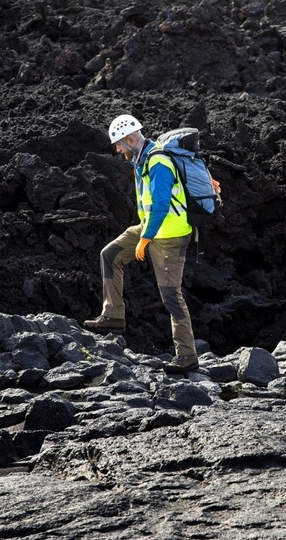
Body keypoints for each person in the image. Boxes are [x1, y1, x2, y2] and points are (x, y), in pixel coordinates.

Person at [84, 114, 200, 373]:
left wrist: (145, 240)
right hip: (151, 228)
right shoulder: (142, 158)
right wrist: (145, 233)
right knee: (110, 254)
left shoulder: (157, 161)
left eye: (118, 144)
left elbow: (159, 205)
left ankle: (187, 356)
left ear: (131, 138)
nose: (117, 149)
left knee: (171, 296)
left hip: (170, 236)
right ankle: (113, 315)